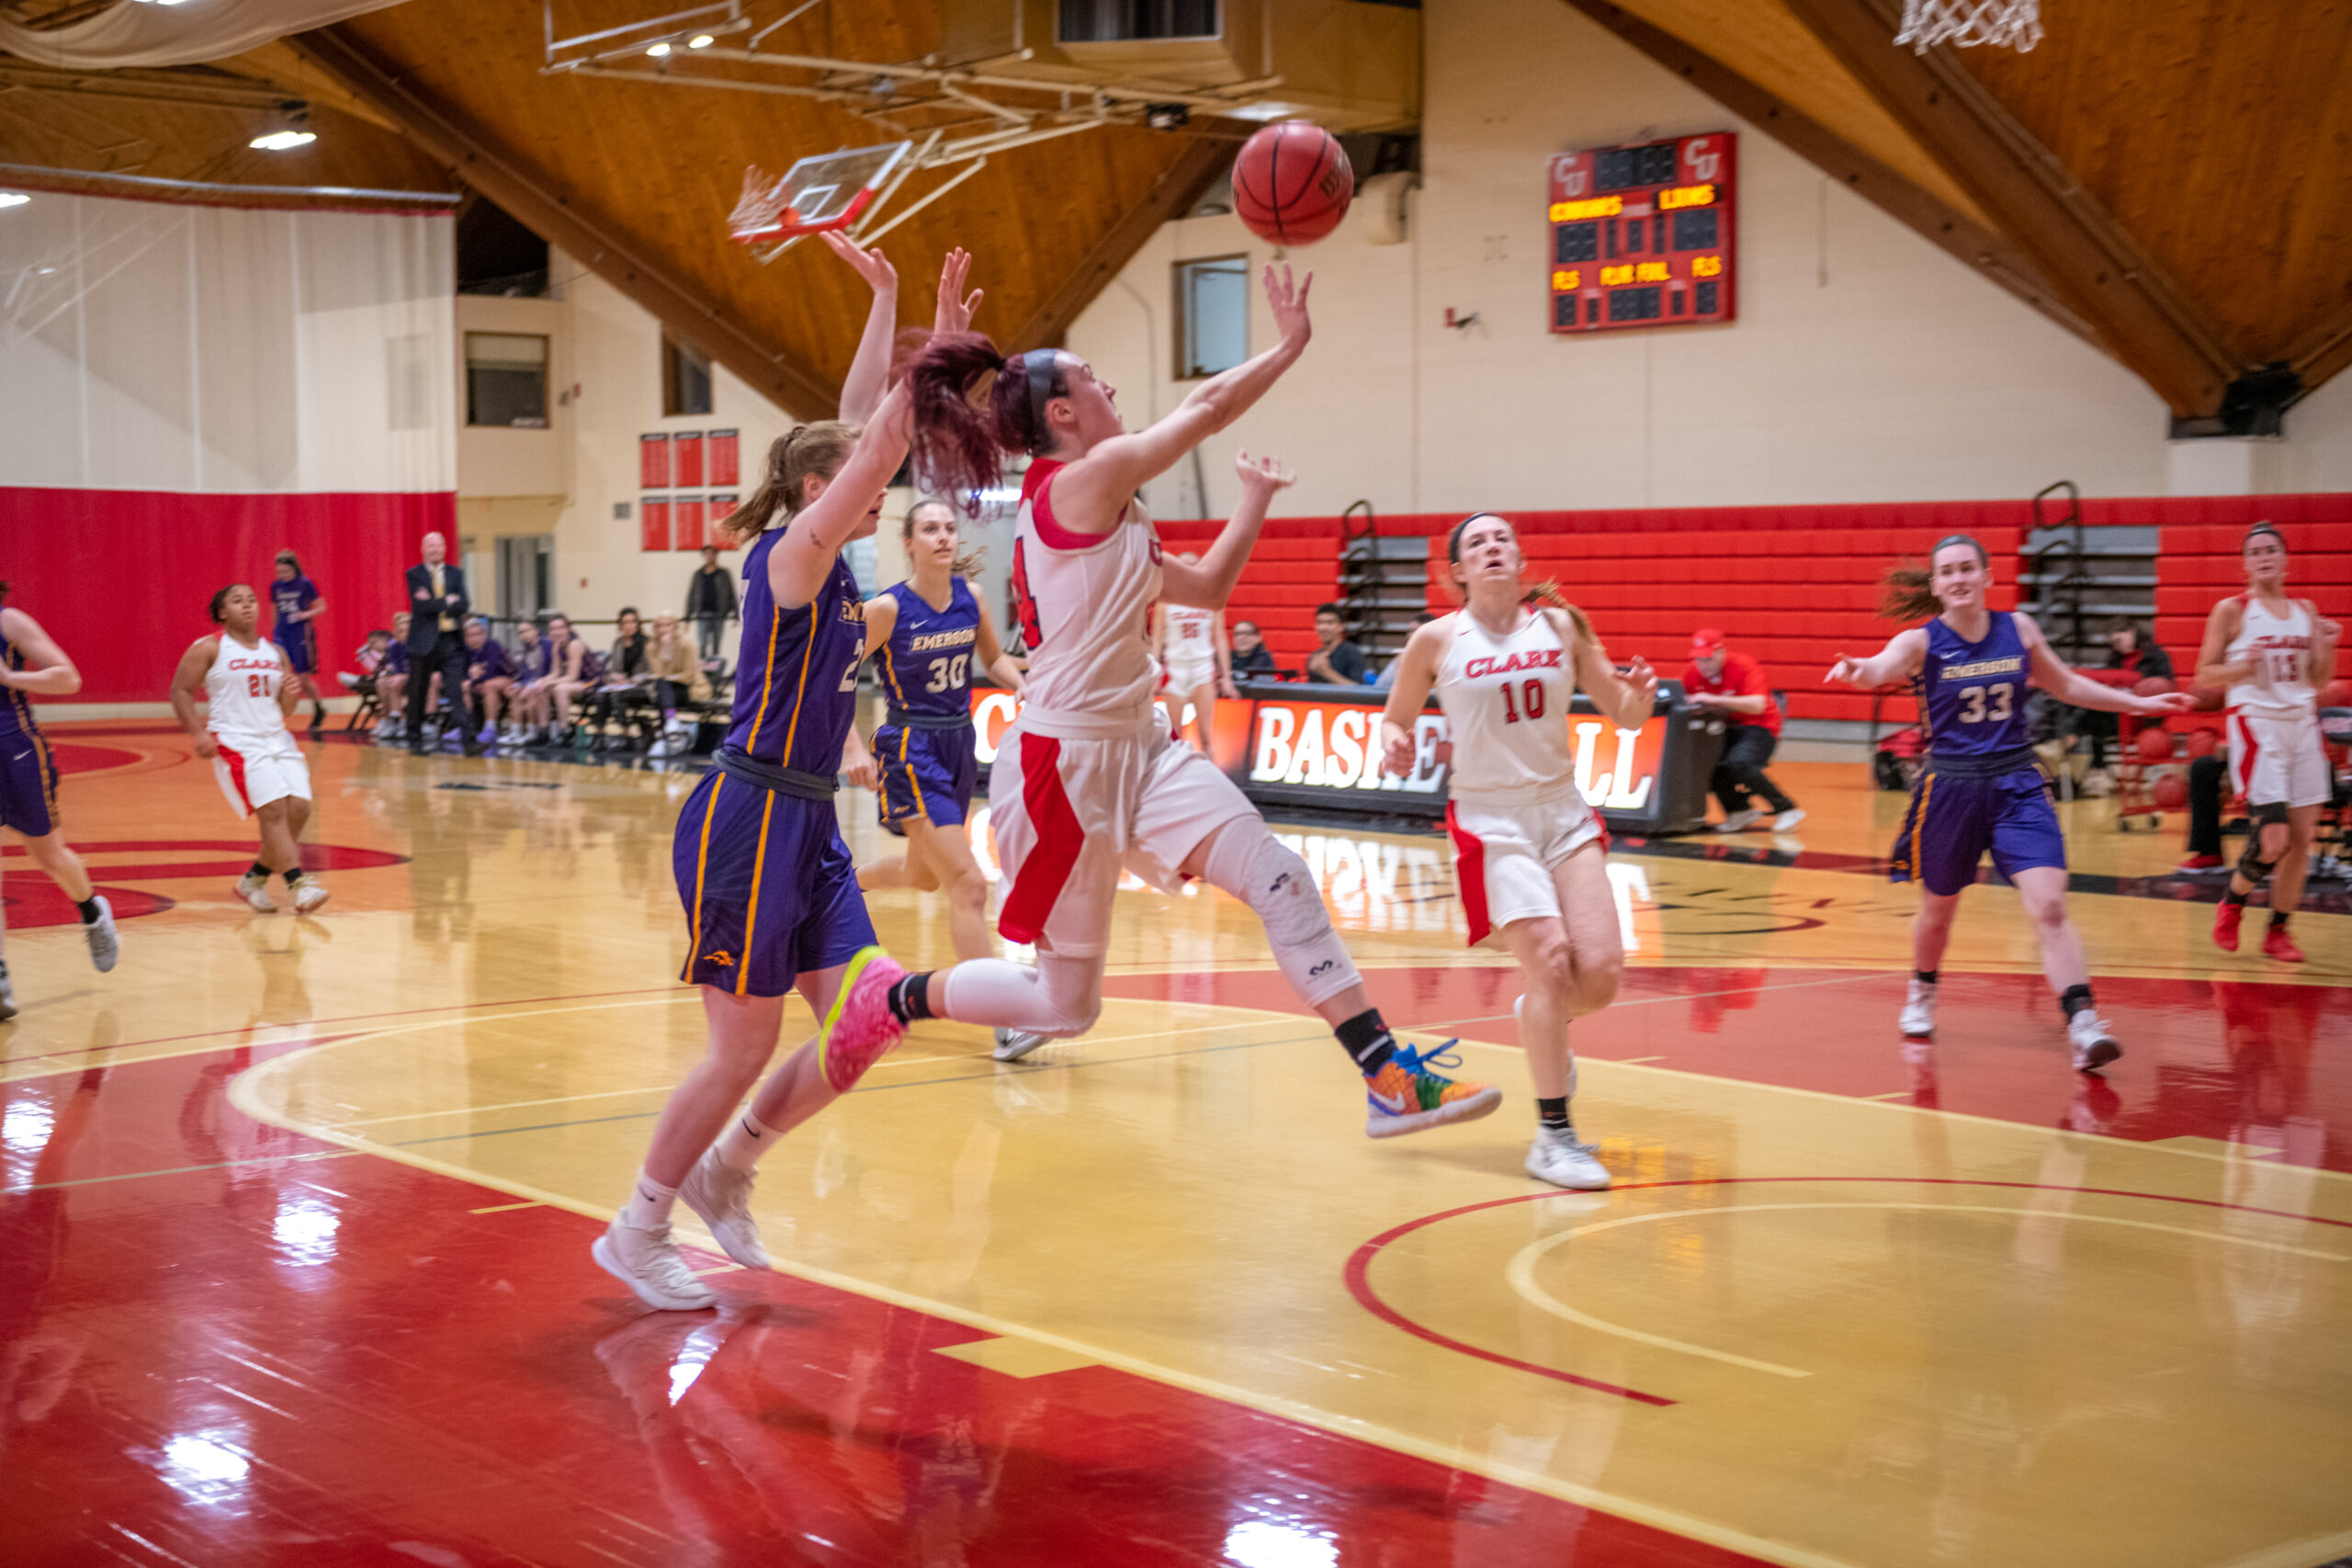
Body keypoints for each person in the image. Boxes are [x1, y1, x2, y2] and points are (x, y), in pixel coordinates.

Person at [886, 259, 1499, 1130]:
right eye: (1090, 380)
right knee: (1067, 1008)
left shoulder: (1112, 509)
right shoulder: (1075, 485)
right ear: (1062, 414)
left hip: (1140, 746)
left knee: (1281, 879)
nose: (1107, 386)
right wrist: (1288, 345)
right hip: (1064, 764)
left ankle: (1386, 1079)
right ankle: (897, 995)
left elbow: (1207, 588)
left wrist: (1251, 501)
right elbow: (1205, 408)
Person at [593, 235, 968, 1312]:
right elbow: (877, 448)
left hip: (808, 823)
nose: (878, 491)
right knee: (739, 1043)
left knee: (866, 1019)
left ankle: (730, 1168)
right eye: (852, 479)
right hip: (747, 813)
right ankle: (638, 1225)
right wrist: (930, 356)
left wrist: (894, 303)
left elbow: (862, 429)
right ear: (818, 489)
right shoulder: (791, 560)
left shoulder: (837, 558)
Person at [1826, 536, 2190, 1069]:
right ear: (1935, 585)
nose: (1958, 578)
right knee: (1938, 911)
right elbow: (1880, 666)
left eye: (1967, 569)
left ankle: (2084, 1024)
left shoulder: (2017, 628)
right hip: (1950, 788)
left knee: (2049, 903)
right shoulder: (1921, 642)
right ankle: (1923, 988)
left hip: (2015, 781)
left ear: (1986, 576)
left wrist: (2137, 701)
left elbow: (2066, 684)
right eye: (1946, 571)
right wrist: (1859, 669)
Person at [1379, 515, 1657, 1189]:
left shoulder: (1560, 628)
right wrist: (1395, 738)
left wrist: (1640, 698)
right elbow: (1397, 714)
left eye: (1502, 538)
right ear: (1457, 573)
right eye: (1477, 543)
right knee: (1552, 962)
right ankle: (1553, 1136)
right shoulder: (1435, 639)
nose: (1492, 547)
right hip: (1491, 819)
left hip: (1562, 811)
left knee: (1601, 977)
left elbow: (1622, 712)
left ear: (1521, 559)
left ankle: (1543, 1022)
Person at [856, 497, 1026, 976]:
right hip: (911, 748)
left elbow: (993, 659)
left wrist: (1023, 686)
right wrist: (851, 747)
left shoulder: (970, 596)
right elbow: (835, 677)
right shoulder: (887, 608)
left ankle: (843, 887)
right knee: (969, 883)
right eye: (930, 529)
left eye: (949, 528)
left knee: (923, 876)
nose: (944, 536)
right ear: (909, 543)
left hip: (958, 744)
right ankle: (995, 1010)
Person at [2197, 523, 2341, 963]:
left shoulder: (2305, 609)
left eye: (2271, 550)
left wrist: (2328, 647)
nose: (2264, 557)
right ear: (2245, 564)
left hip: (2302, 725)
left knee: (2303, 840)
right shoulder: (2232, 610)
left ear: (2285, 559)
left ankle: (2278, 931)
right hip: (2256, 724)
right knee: (2273, 839)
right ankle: (2234, 901)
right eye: (2255, 551)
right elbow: (2203, 675)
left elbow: (2318, 679)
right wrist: (2241, 669)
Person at [169, 583, 330, 914]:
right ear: (222, 612)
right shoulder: (210, 648)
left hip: (277, 738)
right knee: (272, 811)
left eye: (252, 600)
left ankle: (254, 880)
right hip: (236, 741)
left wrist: (291, 692)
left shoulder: (276, 653)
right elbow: (180, 690)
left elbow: (285, 709)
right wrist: (197, 733)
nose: (247, 606)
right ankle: (299, 885)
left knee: (299, 809)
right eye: (237, 601)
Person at [0, 584, 120, 1018]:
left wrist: (10, 677)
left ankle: (92, 912)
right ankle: (1, 976)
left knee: (50, 856)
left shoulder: (9, 621)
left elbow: (69, 678)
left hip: (13, 747)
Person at [1682, 626, 1804, 833]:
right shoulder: (1692, 675)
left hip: (1760, 725)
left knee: (1741, 763)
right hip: (1724, 728)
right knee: (1707, 765)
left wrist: (1715, 699)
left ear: (1721, 653)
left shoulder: (1743, 665)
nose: (1703, 665)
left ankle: (1786, 808)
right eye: (1699, 660)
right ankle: (1739, 811)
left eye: (1708, 659)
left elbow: (1758, 705)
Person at [403, 532, 479, 757]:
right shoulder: (414, 574)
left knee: (456, 691)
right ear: (423, 549)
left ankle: (469, 741)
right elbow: (420, 607)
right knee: (418, 691)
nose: (436, 550)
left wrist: (436, 602)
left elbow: (464, 603)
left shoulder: (456, 573)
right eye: (431, 546)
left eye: (439, 546)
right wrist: (448, 601)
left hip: (450, 640)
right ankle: (413, 738)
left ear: (445, 548)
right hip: (423, 643)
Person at [1152, 555, 1233, 752]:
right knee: (1175, 738)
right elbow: (1157, 640)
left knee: (1205, 736)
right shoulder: (1164, 604)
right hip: (1175, 671)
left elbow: (1220, 639)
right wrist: (1154, 674)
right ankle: (1175, 782)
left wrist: (1227, 676)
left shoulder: (1210, 602)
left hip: (1202, 670)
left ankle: (1211, 782)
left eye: (1191, 566)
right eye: (1183, 566)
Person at [2081, 620, 2177, 773]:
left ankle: (2150, 765)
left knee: (2152, 737)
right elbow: (2107, 678)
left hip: (2147, 711)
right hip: (2120, 711)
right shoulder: (2114, 658)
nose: (2118, 645)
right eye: (2114, 642)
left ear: (2132, 632)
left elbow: (2167, 683)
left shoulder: (2157, 656)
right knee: (2090, 711)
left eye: (2120, 640)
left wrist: (2141, 687)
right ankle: (2098, 767)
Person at [268, 549, 331, 735]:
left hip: (301, 634)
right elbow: (274, 609)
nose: (283, 576)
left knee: (303, 681)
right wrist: (274, 632)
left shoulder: (305, 583)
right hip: (282, 633)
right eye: (279, 572)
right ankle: (274, 714)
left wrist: (306, 614)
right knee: (278, 674)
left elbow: (322, 607)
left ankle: (319, 707)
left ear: (294, 568)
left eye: (286, 572)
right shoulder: (276, 586)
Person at [643, 612, 711, 759]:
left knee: (662, 688)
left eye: (668, 625)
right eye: (660, 625)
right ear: (655, 629)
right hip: (667, 691)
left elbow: (689, 675)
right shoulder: (651, 647)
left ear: (675, 627)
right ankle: (670, 726)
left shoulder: (687, 644)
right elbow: (658, 673)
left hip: (689, 688)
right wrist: (664, 649)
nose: (664, 629)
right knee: (662, 687)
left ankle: (664, 736)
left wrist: (669, 677)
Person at [459, 618, 514, 748]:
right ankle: (466, 726)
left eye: (478, 634)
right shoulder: (468, 651)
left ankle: (490, 727)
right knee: (463, 686)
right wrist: (472, 679)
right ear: (466, 638)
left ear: (484, 634)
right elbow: (462, 671)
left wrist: (475, 680)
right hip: (483, 682)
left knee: (488, 685)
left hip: (505, 679)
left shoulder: (492, 645)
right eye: (470, 635)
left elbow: (492, 671)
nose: (474, 638)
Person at [498, 619, 550, 746]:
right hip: (529, 683)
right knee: (515, 691)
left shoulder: (547, 646)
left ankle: (531, 732)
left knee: (532, 692)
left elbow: (547, 672)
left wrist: (530, 685)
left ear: (535, 630)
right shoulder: (522, 650)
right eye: (520, 632)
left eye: (526, 630)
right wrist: (516, 685)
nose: (523, 635)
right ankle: (515, 733)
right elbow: (522, 675)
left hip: (544, 683)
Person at [684, 545, 739, 663]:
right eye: (706, 554)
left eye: (712, 553)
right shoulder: (698, 574)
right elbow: (692, 596)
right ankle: (703, 672)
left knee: (716, 645)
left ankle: (715, 672)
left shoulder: (723, 573)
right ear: (703, 556)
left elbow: (731, 593)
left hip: (719, 614)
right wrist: (687, 617)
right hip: (702, 614)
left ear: (716, 555)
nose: (709, 556)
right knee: (703, 644)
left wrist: (736, 614)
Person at [1306, 602, 1367, 685]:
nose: (1323, 628)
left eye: (1330, 623)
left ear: (1341, 627)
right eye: (1320, 623)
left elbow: (1359, 691)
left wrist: (1326, 672)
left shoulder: (1352, 653)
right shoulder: (1314, 658)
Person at [373, 613, 412, 741]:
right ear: (396, 633)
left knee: (394, 682)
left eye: (407, 631)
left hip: (413, 677)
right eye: (401, 631)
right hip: (398, 677)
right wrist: (391, 674)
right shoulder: (393, 646)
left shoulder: (417, 646)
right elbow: (393, 666)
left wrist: (401, 676)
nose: (405, 634)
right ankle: (390, 720)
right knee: (382, 682)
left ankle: (399, 721)